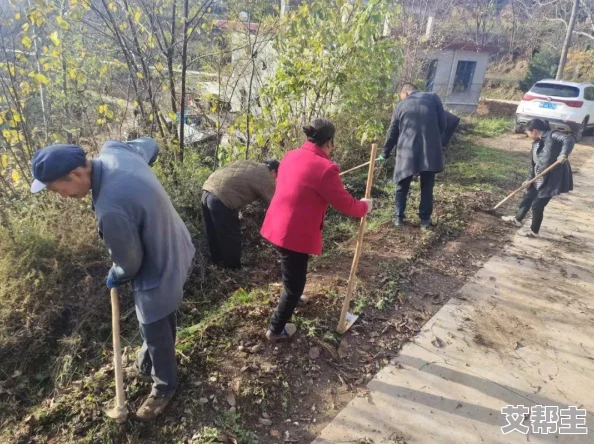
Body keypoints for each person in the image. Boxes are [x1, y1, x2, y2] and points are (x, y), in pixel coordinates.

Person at [30, 138, 195, 421]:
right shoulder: (115, 151)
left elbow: (130, 263)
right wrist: (140, 184)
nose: (63, 196)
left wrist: (116, 275)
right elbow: (150, 145)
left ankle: (165, 387)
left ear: (78, 174)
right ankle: (146, 364)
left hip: (158, 267)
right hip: (178, 244)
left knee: (155, 326)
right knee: (158, 322)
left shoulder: (110, 208)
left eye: (60, 190)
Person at [260, 119, 373, 342]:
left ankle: (293, 296)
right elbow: (345, 204)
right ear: (329, 142)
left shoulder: (290, 155)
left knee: (292, 271)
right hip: (293, 233)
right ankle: (275, 329)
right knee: (294, 284)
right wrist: (364, 207)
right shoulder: (326, 169)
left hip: (277, 225)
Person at [379, 83, 447, 229]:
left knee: (402, 184)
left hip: (406, 151)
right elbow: (443, 124)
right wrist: (433, 139)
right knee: (427, 186)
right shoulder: (434, 98)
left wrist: (385, 153)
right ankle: (425, 220)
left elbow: (392, 132)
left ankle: (398, 218)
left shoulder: (400, 106)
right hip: (429, 150)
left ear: (405, 93)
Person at [502, 118, 573, 237]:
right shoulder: (536, 143)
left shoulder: (552, 135)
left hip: (552, 178)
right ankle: (517, 219)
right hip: (539, 176)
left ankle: (534, 231)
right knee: (528, 196)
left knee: (537, 205)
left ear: (534, 130)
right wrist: (528, 179)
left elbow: (568, 139)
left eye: (527, 132)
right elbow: (534, 164)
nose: (527, 134)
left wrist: (563, 154)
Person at [202, 159, 279, 269]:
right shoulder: (266, 176)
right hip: (222, 198)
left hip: (207, 191)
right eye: (277, 177)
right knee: (231, 235)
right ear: (273, 172)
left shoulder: (249, 163)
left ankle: (217, 267)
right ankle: (234, 270)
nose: (276, 180)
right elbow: (274, 205)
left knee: (213, 233)